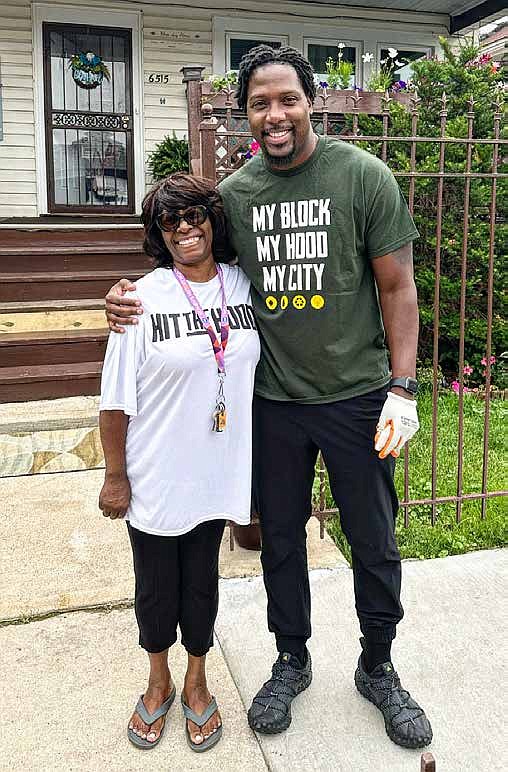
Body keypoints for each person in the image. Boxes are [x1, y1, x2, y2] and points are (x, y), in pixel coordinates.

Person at [104, 46, 433, 750]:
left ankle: (379, 665)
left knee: (373, 539)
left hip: (358, 400)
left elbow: (398, 286)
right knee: (279, 541)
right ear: (245, 112)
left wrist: (403, 388)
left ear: (311, 101)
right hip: (274, 406)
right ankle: (292, 658)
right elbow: (190, 263)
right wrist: (127, 294)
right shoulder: (238, 195)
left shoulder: (362, 177)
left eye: (287, 99)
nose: (275, 114)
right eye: (260, 103)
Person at [98, 172, 260, 752]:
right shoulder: (139, 300)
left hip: (216, 472)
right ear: (157, 234)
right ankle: (157, 678)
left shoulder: (244, 285)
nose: (185, 228)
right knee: (155, 587)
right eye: (170, 221)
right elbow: (114, 400)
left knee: (202, 583)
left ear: (214, 220)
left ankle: (197, 680)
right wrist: (115, 477)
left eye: (195, 216)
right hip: (156, 475)